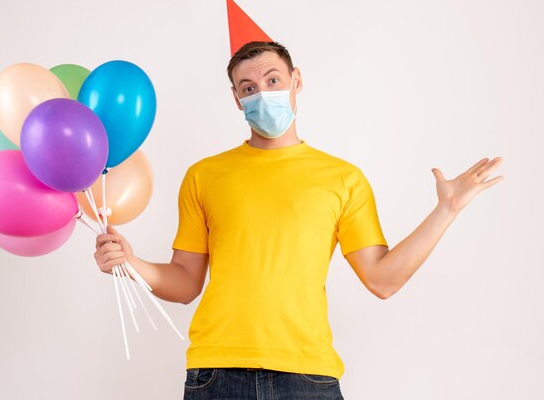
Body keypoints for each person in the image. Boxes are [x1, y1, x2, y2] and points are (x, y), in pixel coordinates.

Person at [94, 40, 503, 399]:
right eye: (248, 88)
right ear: (236, 99)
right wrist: (130, 263)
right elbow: (185, 283)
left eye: (273, 80)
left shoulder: (342, 179)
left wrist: (446, 210)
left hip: (309, 378)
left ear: (297, 81)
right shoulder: (204, 176)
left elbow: (383, 279)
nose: (262, 93)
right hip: (216, 374)